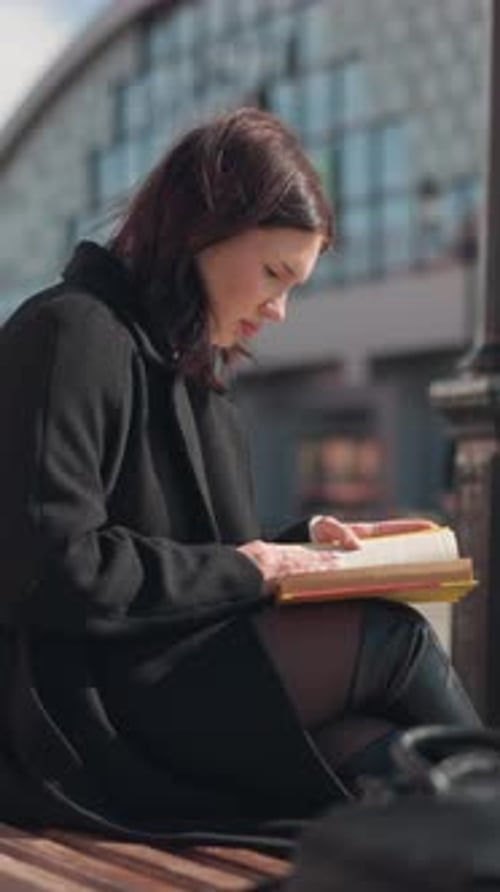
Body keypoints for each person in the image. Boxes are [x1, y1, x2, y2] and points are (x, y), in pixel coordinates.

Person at [0, 108, 479, 845]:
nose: (280, 309)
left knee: (380, 755)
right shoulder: (70, 333)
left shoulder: (196, 378)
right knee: (397, 642)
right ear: (205, 227)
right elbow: (50, 566)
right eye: (274, 273)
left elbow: (201, 562)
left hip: (170, 681)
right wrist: (251, 565)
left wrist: (303, 549)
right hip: (87, 709)